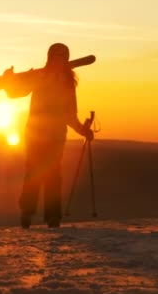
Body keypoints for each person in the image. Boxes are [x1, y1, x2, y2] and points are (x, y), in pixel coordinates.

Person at [9, 43, 94, 229]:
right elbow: (16, 93)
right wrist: (9, 80)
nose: (58, 60)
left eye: (61, 57)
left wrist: (82, 130)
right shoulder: (39, 77)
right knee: (33, 173)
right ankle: (27, 213)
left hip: (55, 135)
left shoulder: (66, 84)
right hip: (35, 134)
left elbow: (70, 114)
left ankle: (52, 217)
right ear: (50, 58)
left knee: (53, 175)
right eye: (56, 56)